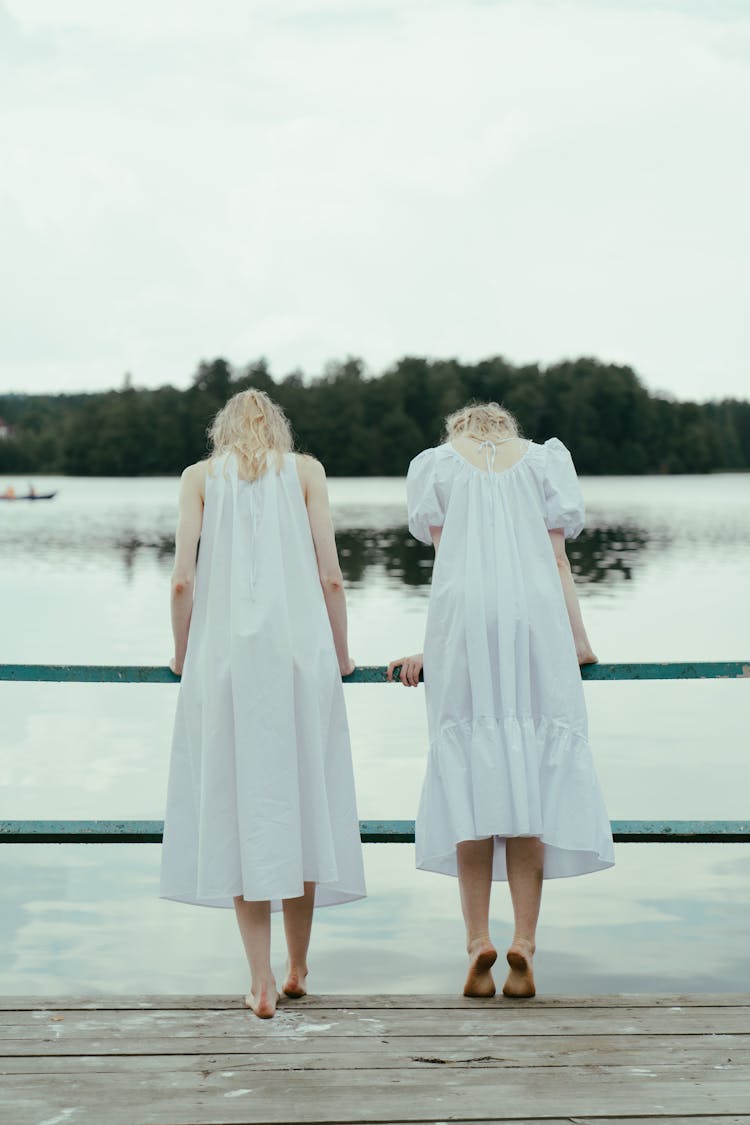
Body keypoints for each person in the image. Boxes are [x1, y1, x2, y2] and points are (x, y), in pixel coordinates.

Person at [388, 402, 614, 1000]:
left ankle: (476, 940)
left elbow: (451, 571)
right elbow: (559, 561)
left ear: (457, 430)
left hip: (463, 630)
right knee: (530, 781)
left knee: (469, 781)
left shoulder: (435, 467)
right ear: (507, 429)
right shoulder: (544, 463)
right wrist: (580, 642)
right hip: (536, 628)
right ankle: (525, 942)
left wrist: (432, 647)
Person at [160, 389, 366, 1018]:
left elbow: (182, 579)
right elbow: (331, 574)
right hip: (301, 660)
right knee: (300, 800)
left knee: (239, 807)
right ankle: (300, 966)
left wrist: (180, 653)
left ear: (222, 430)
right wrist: (343, 654)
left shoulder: (199, 478)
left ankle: (261, 981)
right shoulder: (306, 472)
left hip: (222, 663)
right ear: (277, 427)